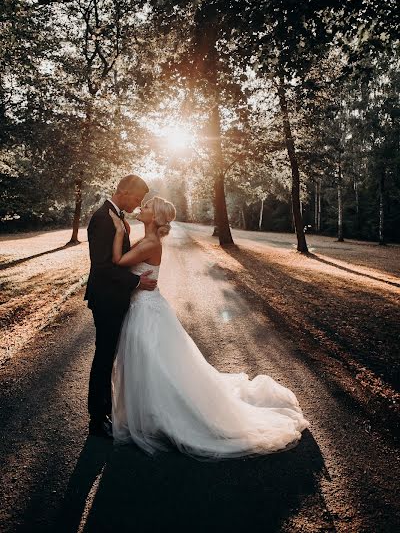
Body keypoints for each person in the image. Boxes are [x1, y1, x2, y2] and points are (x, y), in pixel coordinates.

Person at [110, 196, 310, 459]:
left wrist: (117, 231)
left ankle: (161, 415)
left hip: (146, 309)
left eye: (146, 207)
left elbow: (117, 261)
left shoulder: (150, 243)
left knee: (153, 362)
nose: (142, 208)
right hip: (146, 305)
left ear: (155, 217)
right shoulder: (148, 240)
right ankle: (151, 413)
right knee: (155, 363)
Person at [85, 174, 157, 438]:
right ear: (124, 191)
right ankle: (97, 418)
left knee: (110, 354)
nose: (139, 204)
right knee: (104, 355)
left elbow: (120, 259)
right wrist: (137, 281)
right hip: (105, 298)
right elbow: (102, 267)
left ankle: (105, 409)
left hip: (115, 297)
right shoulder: (103, 218)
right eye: (137, 198)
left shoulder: (116, 217)